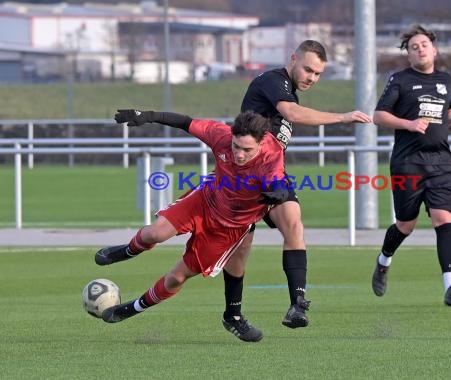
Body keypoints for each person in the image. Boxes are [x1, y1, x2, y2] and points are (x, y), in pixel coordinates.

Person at [94, 109, 289, 342]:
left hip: (229, 228)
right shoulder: (220, 135)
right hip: (204, 200)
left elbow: (277, 182)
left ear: (260, 143)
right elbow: (185, 122)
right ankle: (128, 250)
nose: (239, 154)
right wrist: (147, 115)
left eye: (247, 150)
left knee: (176, 278)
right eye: (236, 146)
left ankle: (132, 308)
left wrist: (278, 192)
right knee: (155, 233)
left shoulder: (272, 154)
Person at [220, 40, 373, 335]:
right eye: (308, 69)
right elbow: (291, 113)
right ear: (293, 59)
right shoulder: (273, 81)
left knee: (294, 225)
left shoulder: (289, 91)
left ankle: (297, 304)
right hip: (243, 177)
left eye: (317, 74)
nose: (312, 78)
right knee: (240, 249)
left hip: (273, 176)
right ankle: (233, 315)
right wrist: (343, 116)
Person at [371, 25, 451, 306]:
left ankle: (450, 286)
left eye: (424, 44)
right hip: (408, 163)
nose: (420, 49)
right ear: (409, 55)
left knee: (443, 220)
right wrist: (409, 124)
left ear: (434, 49)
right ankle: (383, 260)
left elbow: (450, 111)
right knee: (406, 224)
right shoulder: (400, 80)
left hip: (440, 163)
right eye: (413, 47)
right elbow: (379, 116)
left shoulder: (446, 80)